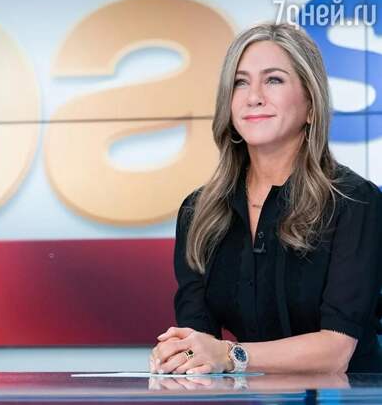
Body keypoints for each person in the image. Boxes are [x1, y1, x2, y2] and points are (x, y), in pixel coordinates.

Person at [150, 23, 382, 374]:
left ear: (311, 104)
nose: (253, 96)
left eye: (273, 80)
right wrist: (181, 354)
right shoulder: (199, 212)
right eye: (240, 82)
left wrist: (230, 355)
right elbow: (199, 338)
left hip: (351, 395)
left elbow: (336, 352)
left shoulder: (354, 201)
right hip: (254, 395)